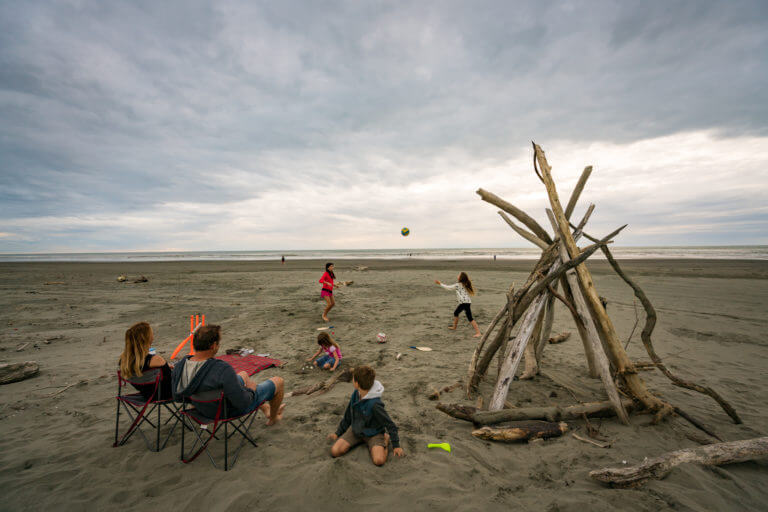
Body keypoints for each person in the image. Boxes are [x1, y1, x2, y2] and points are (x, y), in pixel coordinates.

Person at [172, 324, 285, 425]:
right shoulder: (221, 369)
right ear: (213, 346)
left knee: (243, 375)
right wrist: (251, 390)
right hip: (224, 411)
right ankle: (273, 418)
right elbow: (243, 403)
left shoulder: (180, 366)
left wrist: (198, 400)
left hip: (200, 409)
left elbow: (177, 397)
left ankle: (266, 409)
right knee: (278, 381)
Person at [328, 366, 404, 466]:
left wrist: (396, 445)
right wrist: (338, 433)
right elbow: (348, 416)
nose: (352, 380)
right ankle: (360, 441)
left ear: (357, 383)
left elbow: (389, 424)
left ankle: (385, 439)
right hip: (356, 430)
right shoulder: (356, 394)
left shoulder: (375, 404)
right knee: (335, 451)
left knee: (379, 461)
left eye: (353, 379)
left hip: (374, 434)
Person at [119, 321, 173, 400]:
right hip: (166, 394)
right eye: (151, 333)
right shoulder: (156, 360)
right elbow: (171, 379)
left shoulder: (124, 361)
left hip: (146, 395)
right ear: (147, 338)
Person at [435, 272, 482, 338]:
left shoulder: (458, 285)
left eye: (458, 275)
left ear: (461, 278)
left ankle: (478, 333)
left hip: (464, 303)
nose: (457, 276)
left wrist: (440, 284)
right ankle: (454, 327)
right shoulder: (465, 284)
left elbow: (448, 288)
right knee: (456, 313)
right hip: (466, 302)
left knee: (470, 318)